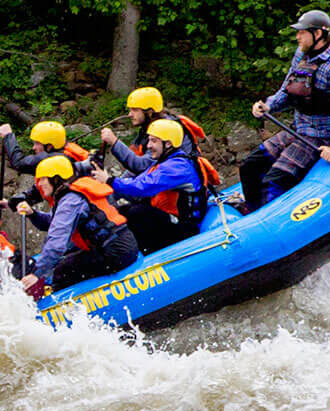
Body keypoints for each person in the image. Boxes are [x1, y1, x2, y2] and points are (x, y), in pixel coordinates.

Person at [241, 9, 330, 213]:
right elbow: (286, 91)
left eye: (302, 32)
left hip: (320, 137)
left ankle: (270, 223)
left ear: (318, 34)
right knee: (249, 166)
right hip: (298, 130)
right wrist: (268, 105)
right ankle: (250, 214)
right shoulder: (301, 56)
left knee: (274, 181)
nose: (297, 36)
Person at [15, 155, 139, 297]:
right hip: (116, 245)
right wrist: (33, 214)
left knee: (63, 270)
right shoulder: (69, 196)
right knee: (66, 261)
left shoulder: (70, 201)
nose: (39, 184)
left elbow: (56, 244)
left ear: (56, 179)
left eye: (43, 179)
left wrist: (36, 274)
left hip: (116, 251)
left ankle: (59, 309)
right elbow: (52, 222)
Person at [104, 118, 216, 253]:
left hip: (185, 228)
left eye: (153, 141)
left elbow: (142, 187)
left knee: (139, 213)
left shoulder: (177, 167)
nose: (148, 146)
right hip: (170, 219)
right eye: (149, 140)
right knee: (124, 210)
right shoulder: (163, 161)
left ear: (168, 144)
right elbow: (136, 181)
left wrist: (110, 180)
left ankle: (144, 254)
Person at [101, 87, 208, 163]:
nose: (130, 114)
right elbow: (135, 167)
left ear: (150, 112)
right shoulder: (147, 128)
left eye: (135, 110)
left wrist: (114, 142)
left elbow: (142, 165)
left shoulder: (166, 129)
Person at [0, 120, 91, 174]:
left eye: (37, 143)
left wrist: (8, 136)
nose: (34, 148)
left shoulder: (52, 159)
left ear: (49, 146)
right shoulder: (68, 151)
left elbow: (19, 163)